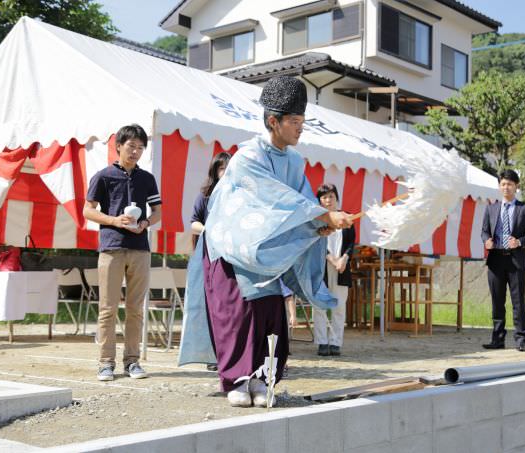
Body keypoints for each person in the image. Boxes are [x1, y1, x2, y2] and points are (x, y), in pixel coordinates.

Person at [177, 76, 352, 407]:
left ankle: (260, 376)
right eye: (295, 121)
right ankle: (236, 379)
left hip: (264, 252)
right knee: (239, 314)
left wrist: (319, 225)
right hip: (230, 249)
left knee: (269, 313)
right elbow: (275, 199)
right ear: (274, 121)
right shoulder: (247, 157)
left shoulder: (296, 161)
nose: (301, 128)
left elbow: (300, 200)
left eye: (302, 121)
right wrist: (321, 216)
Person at [83, 124, 162, 381]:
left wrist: (145, 224)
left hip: (140, 248)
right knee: (107, 308)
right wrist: (113, 221)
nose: (136, 151)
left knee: (136, 308)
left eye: (140, 147)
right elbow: (87, 210)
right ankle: (106, 363)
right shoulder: (103, 176)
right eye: (131, 146)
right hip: (111, 247)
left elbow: (158, 213)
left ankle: (132, 362)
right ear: (118, 146)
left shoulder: (147, 179)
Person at [480, 169, 525, 352]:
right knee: (497, 300)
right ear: (499, 186)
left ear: (516, 186)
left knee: (517, 301)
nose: (506, 187)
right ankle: (497, 338)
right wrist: (486, 241)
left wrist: (520, 241)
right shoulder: (491, 208)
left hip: (516, 260)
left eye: (510, 184)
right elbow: (484, 231)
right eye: (503, 184)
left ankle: (521, 338)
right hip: (496, 259)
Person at [190, 152, 231, 371]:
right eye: (221, 168)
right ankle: (214, 355)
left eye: (229, 167)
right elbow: (193, 223)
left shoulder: (239, 195)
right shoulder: (205, 195)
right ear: (215, 171)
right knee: (212, 305)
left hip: (233, 256)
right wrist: (210, 230)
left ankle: (229, 353)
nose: (225, 172)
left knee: (230, 306)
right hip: (210, 256)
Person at [313, 183, 355, 357]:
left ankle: (336, 342)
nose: (328, 200)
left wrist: (344, 259)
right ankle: (322, 342)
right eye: (324, 197)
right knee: (320, 306)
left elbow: (352, 243)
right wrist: (332, 259)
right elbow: (317, 243)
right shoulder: (317, 220)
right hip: (322, 267)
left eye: (331, 196)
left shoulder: (346, 218)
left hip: (341, 268)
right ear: (319, 201)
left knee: (339, 307)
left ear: (336, 198)